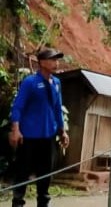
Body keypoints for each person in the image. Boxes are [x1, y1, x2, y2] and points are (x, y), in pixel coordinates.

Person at [8, 49, 69, 207]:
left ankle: (44, 202)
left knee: (46, 172)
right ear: (41, 62)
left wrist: (62, 131)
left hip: (48, 136)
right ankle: (18, 202)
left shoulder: (56, 83)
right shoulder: (30, 82)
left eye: (57, 60)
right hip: (29, 136)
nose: (56, 63)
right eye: (52, 60)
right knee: (23, 171)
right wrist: (16, 129)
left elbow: (57, 109)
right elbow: (18, 107)